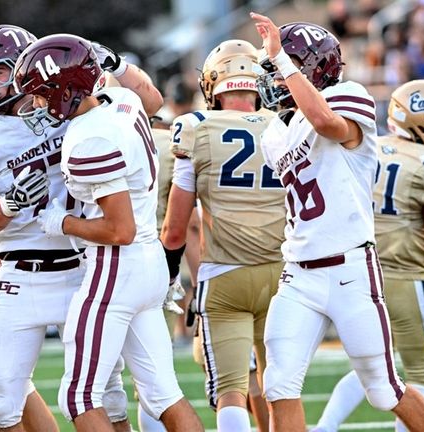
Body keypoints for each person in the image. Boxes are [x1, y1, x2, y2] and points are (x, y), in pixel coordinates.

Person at [0, 24, 165, 431]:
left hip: (80, 267)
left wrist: (113, 60)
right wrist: (10, 205)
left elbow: (150, 101)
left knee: (107, 395)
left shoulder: (65, 104)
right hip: (19, 275)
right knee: (0, 403)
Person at [250, 13, 424, 432]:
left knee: (384, 389)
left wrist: (286, 63)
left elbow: (327, 123)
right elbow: (308, 120)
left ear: (310, 71)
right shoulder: (275, 132)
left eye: (280, 70)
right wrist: (285, 68)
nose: (273, 80)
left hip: (350, 268)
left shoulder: (351, 94)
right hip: (298, 273)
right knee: (278, 384)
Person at [13, 33, 203, 432]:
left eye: (41, 94)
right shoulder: (121, 101)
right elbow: (151, 100)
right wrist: (117, 64)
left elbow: (120, 230)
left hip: (117, 268)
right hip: (149, 266)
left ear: (65, 89)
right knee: (163, 392)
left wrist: (60, 222)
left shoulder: (90, 139)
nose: (35, 104)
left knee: (78, 397)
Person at [160, 39, 283, 432]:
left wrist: (168, 274)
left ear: (213, 84)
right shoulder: (283, 124)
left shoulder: (194, 127)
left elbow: (176, 227)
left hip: (224, 275)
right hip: (284, 273)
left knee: (231, 389)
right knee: (280, 384)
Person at [312, 80, 424, 432]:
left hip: (365, 272)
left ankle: (325, 427)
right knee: (420, 370)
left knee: (378, 367)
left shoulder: (368, 147)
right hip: (411, 278)